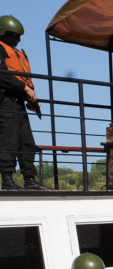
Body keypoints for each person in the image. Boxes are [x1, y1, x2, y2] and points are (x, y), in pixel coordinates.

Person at [0, 15, 48, 191]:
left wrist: (31, 99)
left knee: (27, 141)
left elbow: (21, 77)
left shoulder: (17, 52)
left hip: (18, 101)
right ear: (3, 32)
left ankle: (30, 179)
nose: (17, 39)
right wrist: (25, 88)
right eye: (14, 35)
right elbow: (3, 74)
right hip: (5, 101)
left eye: (19, 36)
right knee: (9, 140)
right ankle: (7, 181)